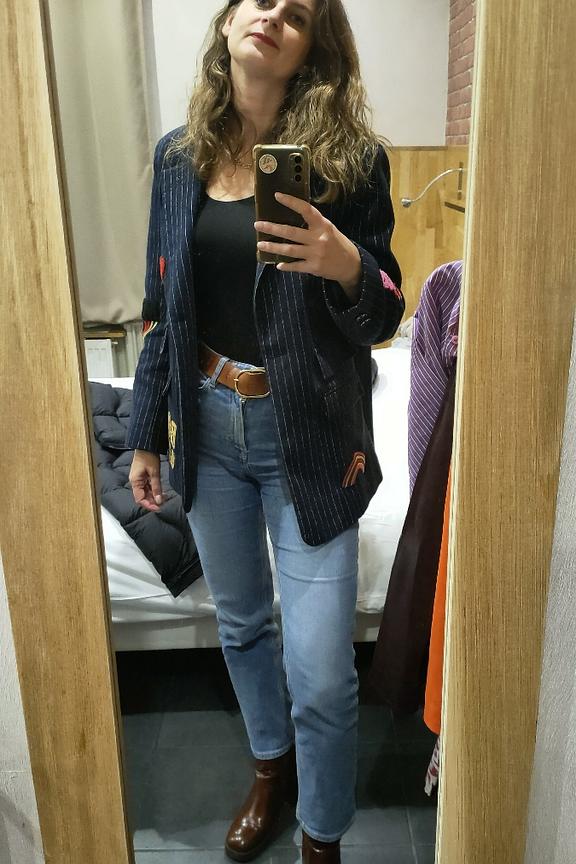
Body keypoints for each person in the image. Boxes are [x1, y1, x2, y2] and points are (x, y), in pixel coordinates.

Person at [127, 1, 404, 861]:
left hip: (309, 435)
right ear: (227, 23)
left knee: (321, 673)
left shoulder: (351, 162)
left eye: (299, 10)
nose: (275, 12)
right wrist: (146, 431)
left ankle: (322, 836)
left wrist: (348, 265)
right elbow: (161, 306)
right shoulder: (179, 159)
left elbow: (386, 313)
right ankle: (270, 767)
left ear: (313, 44)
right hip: (209, 423)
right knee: (243, 625)